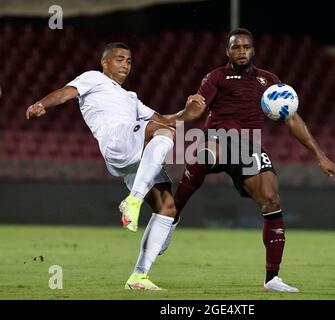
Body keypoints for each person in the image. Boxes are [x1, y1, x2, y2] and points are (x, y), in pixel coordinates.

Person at [164, 28, 335, 292]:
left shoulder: (269, 81)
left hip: (247, 145)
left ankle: (272, 279)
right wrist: (182, 115)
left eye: (246, 47)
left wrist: (320, 156)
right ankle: (173, 215)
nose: (241, 52)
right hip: (217, 136)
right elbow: (199, 106)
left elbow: (292, 118)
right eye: (236, 47)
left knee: (271, 199)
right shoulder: (217, 76)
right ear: (227, 51)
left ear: (253, 50)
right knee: (203, 152)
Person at [25, 42, 204, 291]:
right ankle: (134, 199)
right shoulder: (93, 78)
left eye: (129, 61)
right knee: (165, 134)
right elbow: (66, 92)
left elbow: (164, 120)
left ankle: (139, 277)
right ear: (105, 62)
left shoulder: (130, 98)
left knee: (168, 208)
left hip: (132, 155)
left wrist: (189, 111)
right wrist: (42, 104)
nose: (125, 64)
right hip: (116, 139)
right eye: (119, 59)